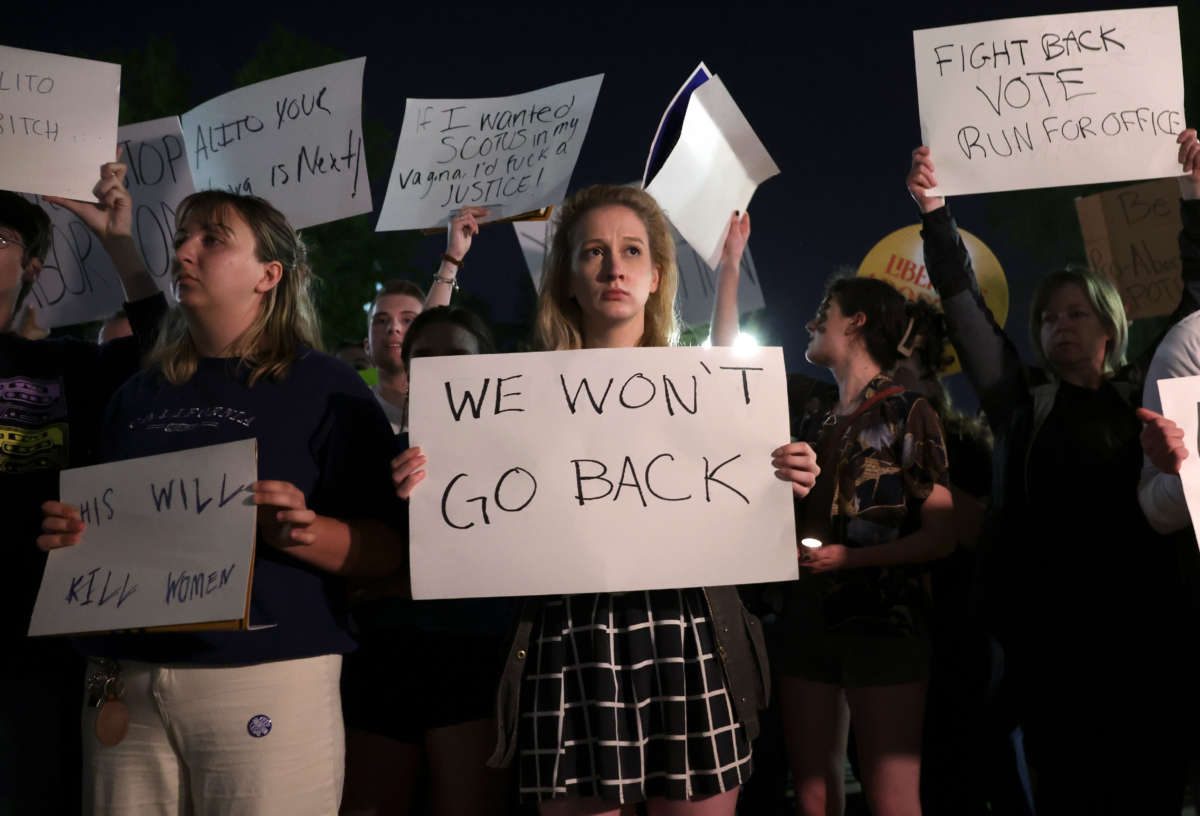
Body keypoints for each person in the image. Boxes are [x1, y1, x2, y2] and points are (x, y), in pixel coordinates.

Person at [393, 185, 818, 816]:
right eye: (593, 251)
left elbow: (738, 498)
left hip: (689, 638)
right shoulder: (513, 397)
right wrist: (428, 482)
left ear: (654, 277)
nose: (614, 266)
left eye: (630, 251)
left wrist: (785, 473)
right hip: (570, 644)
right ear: (567, 278)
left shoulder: (710, 391)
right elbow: (477, 509)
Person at [37, 189, 405, 816]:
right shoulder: (136, 395)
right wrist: (74, 535)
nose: (184, 251)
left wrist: (305, 534)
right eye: (183, 236)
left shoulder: (328, 390)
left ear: (269, 275)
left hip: (265, 677)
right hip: (126, 682)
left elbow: (392, 554)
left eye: (212, 238)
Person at [907, 136, 1189, 813]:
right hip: (1051, 650)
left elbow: (1194, 302)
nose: (1058, 326)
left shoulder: (1145, 393)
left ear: (1110, 326)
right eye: (1047, 317)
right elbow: (964, 306)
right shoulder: (1020, 401)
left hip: (1147, 641)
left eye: (1075, 314)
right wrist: (936, 212)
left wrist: (1194, 195)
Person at [1, 162, 166, 816]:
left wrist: (120, 244)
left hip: (37, 654)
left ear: (34, 268)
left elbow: (168, 356)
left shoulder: (67, 368)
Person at [770, 277, 954, 816]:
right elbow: (729, 373)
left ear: (856, 322)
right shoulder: (813, 411)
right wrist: (730, 267)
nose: (810, 322)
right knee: (813, 795)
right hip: (806, 619)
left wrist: (853, 559)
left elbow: (940, 535)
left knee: (892, 796)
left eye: (823, 310)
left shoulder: (909, 412)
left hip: (884, 625)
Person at [342, 305, 514, 816]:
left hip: (474, 661)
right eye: (426, 359)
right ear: (408, 373)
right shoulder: (375, 458)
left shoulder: (521, 465)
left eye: (456, 359)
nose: (440, 371)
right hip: (383, 663)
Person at [366, 207, 490, 433]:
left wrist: (452, 258)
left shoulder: (468, 415)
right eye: (381, 320)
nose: (394, 328)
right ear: (366, 346)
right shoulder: (351, 413)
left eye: (408, 321)